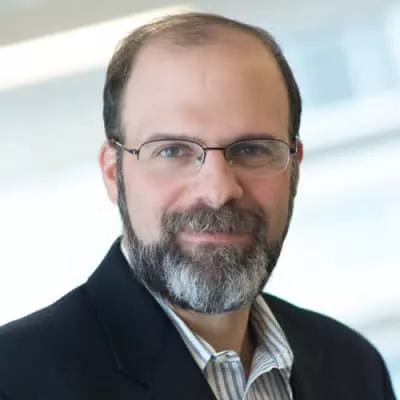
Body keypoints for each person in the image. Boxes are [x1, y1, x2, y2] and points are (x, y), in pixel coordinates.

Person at [0, 12, 396, 400]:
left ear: (294, 166)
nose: (219, 191)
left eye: (252, 149)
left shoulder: (352, 366)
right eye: (172, 150)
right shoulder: (14, 379)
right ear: (112, 173)